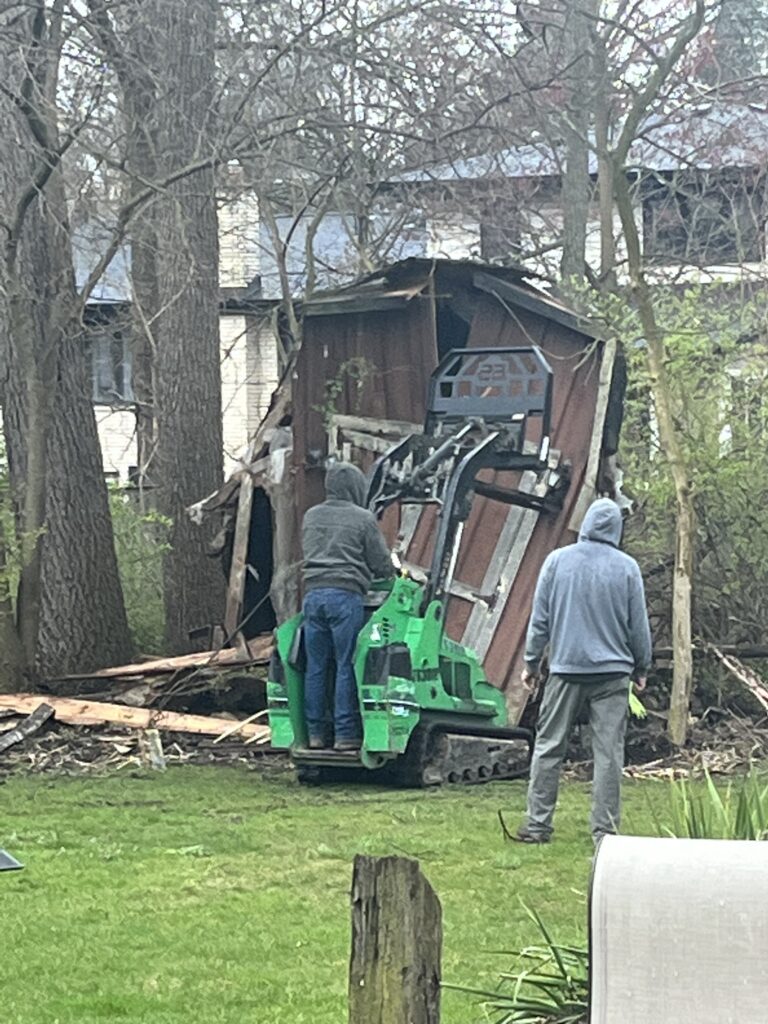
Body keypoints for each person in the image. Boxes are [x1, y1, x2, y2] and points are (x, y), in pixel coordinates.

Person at [515, 497, 652, 845]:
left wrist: (531, 663)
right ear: (616, 529)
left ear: (586, 523)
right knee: (608, 753)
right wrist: (641, 666)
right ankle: (605, 832)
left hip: (566, 670)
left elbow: (540, 620)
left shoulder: (556, 562)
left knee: (549, 746)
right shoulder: (627, 568)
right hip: (612, 674)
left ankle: (537, 825)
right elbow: (639, 627)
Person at [301, 461, 394, 750]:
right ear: (356, 487)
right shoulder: (363, 519)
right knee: (346, 664)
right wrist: (388, 574)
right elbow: (380, 563)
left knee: (315, 666)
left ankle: (315, 734)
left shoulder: (311, 516)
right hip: (345, 598)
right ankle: (345, 735)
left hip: (313, 598)